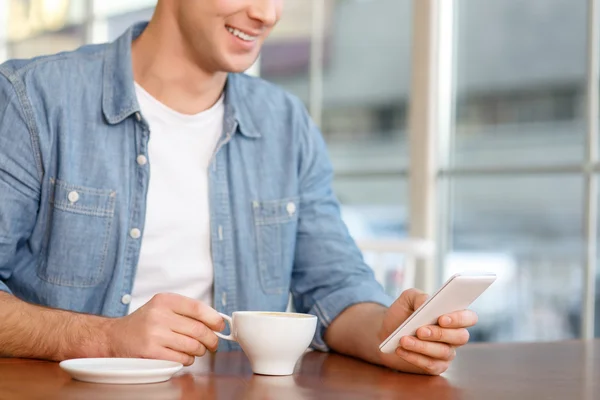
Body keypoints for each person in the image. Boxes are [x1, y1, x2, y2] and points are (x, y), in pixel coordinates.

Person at [0, 0, 477, 375]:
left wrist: (389, 334)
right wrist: (104, 340)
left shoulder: (286, 124)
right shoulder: (32, 100)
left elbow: (334, 284)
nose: (267, 13)